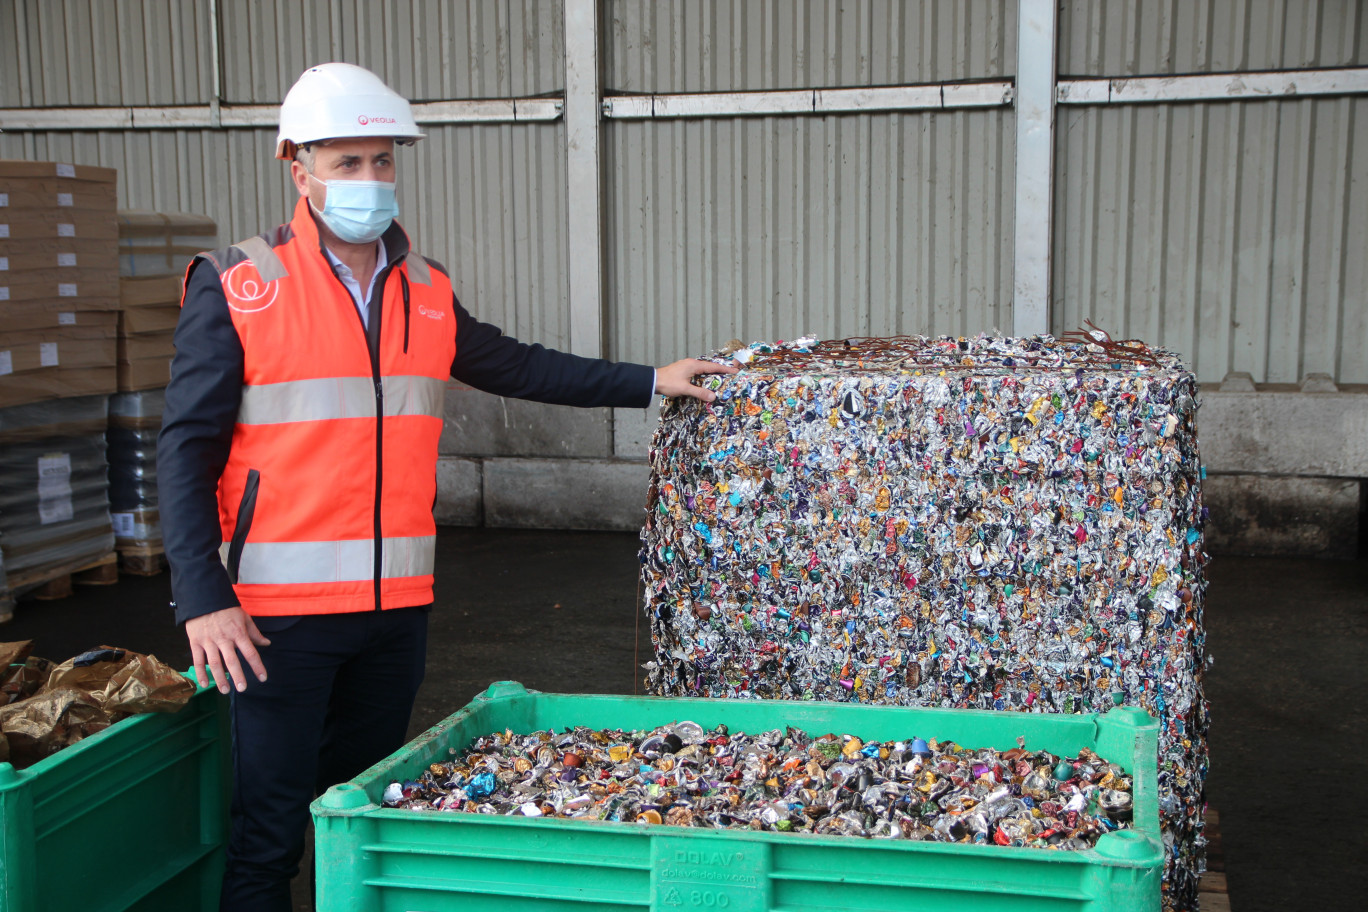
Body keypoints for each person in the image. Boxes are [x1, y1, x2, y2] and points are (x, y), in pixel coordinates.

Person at [156, 62, 734, 911]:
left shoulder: (425, 289)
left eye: (381, 161)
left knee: (360, 814)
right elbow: (184, 447)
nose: (368, 180)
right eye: (346, 164)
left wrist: (651, 380)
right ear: (299, 169)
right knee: (269, 829)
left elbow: (518, 364)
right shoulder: (243, 286)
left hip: (395, 615)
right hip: (275, 619)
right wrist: (202, 596)